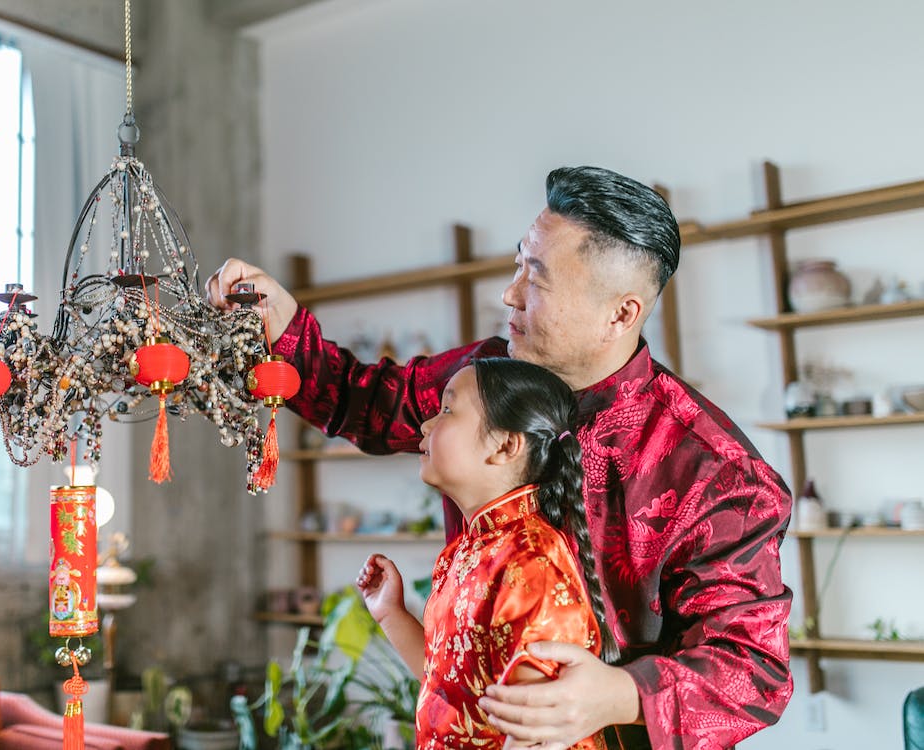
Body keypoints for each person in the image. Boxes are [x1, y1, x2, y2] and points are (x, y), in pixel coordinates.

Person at [206, 166, 793, 749]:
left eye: (535, 279)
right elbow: (368, 403)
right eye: (518, 264)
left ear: (620, 313)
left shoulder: (714, 471)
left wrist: (616, 696)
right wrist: (281, 322)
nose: (507, 294)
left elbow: (753, 669)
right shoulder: (489, 377)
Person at [357, 357, 617, 749]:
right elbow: (447, 686)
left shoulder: (532, 561)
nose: (426, 425)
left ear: (506, 445)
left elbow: (535, 733)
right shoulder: (464, 551)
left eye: (447, 409)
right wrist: (391, 614)